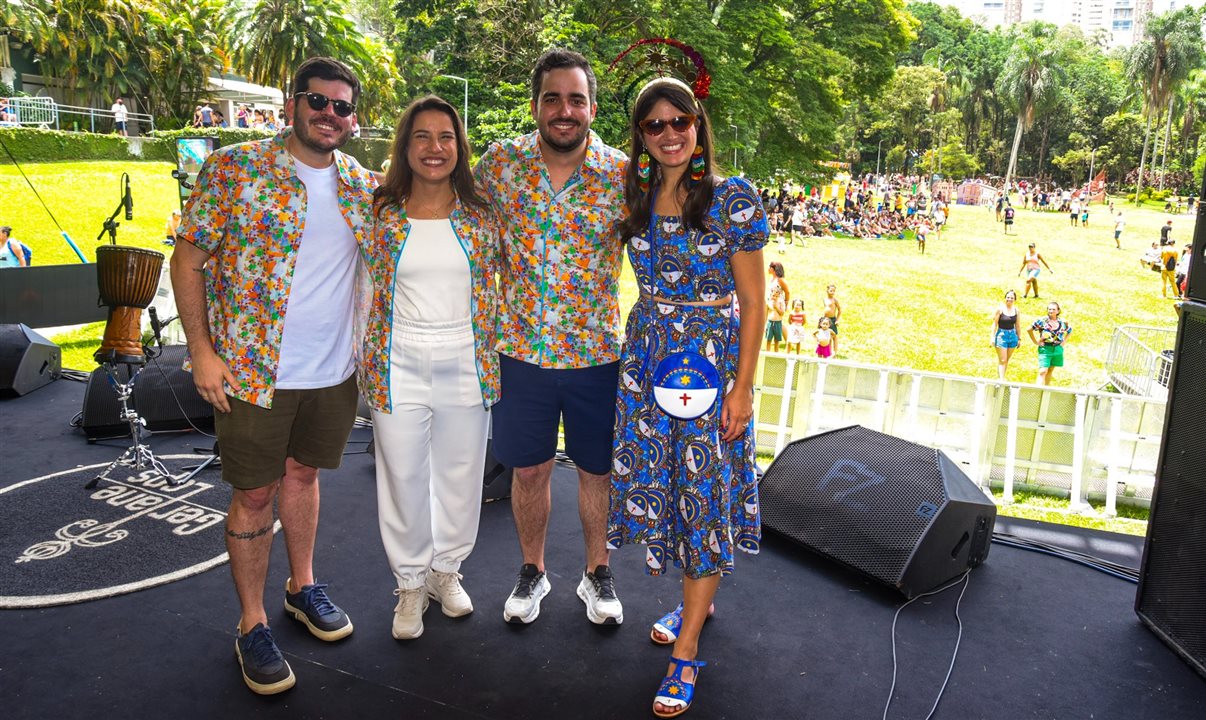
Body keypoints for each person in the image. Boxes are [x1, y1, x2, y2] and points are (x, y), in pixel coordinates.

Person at [169, 57, 375, 695]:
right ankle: (251, 621)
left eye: (343, 107)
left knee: (304, 476)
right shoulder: (235, 169)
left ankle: (301, 586)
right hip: (256, 373)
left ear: (354, 118)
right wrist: (202, 351)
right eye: (319, 101)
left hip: (334, 372)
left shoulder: (361, 185)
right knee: (255, 494)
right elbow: (188, 261)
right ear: (294, 103)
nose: (330, 114)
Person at [606, 76, 767, 719]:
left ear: (698, 125)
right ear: (641, 137)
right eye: (655, 125)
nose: (670, 134)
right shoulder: (636, 194)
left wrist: (744, 387)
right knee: (674, 490)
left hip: (710, 369)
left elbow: (754, 302)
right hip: (648, 364)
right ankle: (695, 599)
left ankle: (688, 648)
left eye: (681, 122)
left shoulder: (734, 198)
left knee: (703, 496)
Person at [474, 48, 627, 627]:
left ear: (592, 106)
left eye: (576, 99)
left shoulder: (621, 172)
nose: (565, 110)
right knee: (530, 470)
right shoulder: (500, 163)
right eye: (553, 98)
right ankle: (532, 572)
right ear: (536, 104)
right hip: (521, 352)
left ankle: (597, 573)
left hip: (596, 354)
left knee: (597, 470)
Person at [359, 96, 500, 640]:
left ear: (460, 147)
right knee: (403, 477)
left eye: (446, 137)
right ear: (406, 145)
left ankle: (446, 572)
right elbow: (362, 288)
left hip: (466, 358)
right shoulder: (381, 211)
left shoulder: (483, 214)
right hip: (399, 361)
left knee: (462, 476)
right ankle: (411, 584)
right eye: (422, 136)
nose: (435, 148)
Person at [1028, 301, 1071, 385]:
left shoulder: (1062, 322)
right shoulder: (1042, 321)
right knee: (1042, 371)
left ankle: (1046, 390)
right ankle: (1037, 390)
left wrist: (1064, 341)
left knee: (1050, 370)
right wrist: (1036, 342)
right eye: (1049, 309)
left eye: (1053, 309)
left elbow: (1069, 331)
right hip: (1045, 349)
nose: (1051, 311)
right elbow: (1029, 329)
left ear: (1058, 311)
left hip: (1057, 349)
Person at [990, 290, 1021, 380]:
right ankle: (1001, 380)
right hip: (1001, 335)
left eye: (1012, 298)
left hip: (1012, 336)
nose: (1009, 299)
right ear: (1005, 298)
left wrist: (1019, 338)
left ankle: (1002, 378)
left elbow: (1018, 326)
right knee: (1002, 359)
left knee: (1006, 359)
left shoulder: (1016, 311)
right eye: (1008, 297)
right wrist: (992, 337)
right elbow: (994, 324)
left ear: (1015, 299)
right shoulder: (1000, 310)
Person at [765, 261, 789, 352]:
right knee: (772, 322)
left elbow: (787, 292)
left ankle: (788, 340)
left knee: (779, 323)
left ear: (773, 269)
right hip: (770, 302)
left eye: (769, 267)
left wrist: (786, 303)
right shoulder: (772, 279)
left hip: (778, 303)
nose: (768, 268)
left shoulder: (780, 280)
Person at [822, 283, 841, 355]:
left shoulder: (835, 300)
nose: (832, 292)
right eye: (831, 290)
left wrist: (837, 320)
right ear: (827, 291)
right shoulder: (824, 299)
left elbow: (839, 310)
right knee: (828, 335)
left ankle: (835, 352)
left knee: (834, 336)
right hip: (826, 319)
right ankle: (829, 351)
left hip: (832, 319)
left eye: (834, 291)